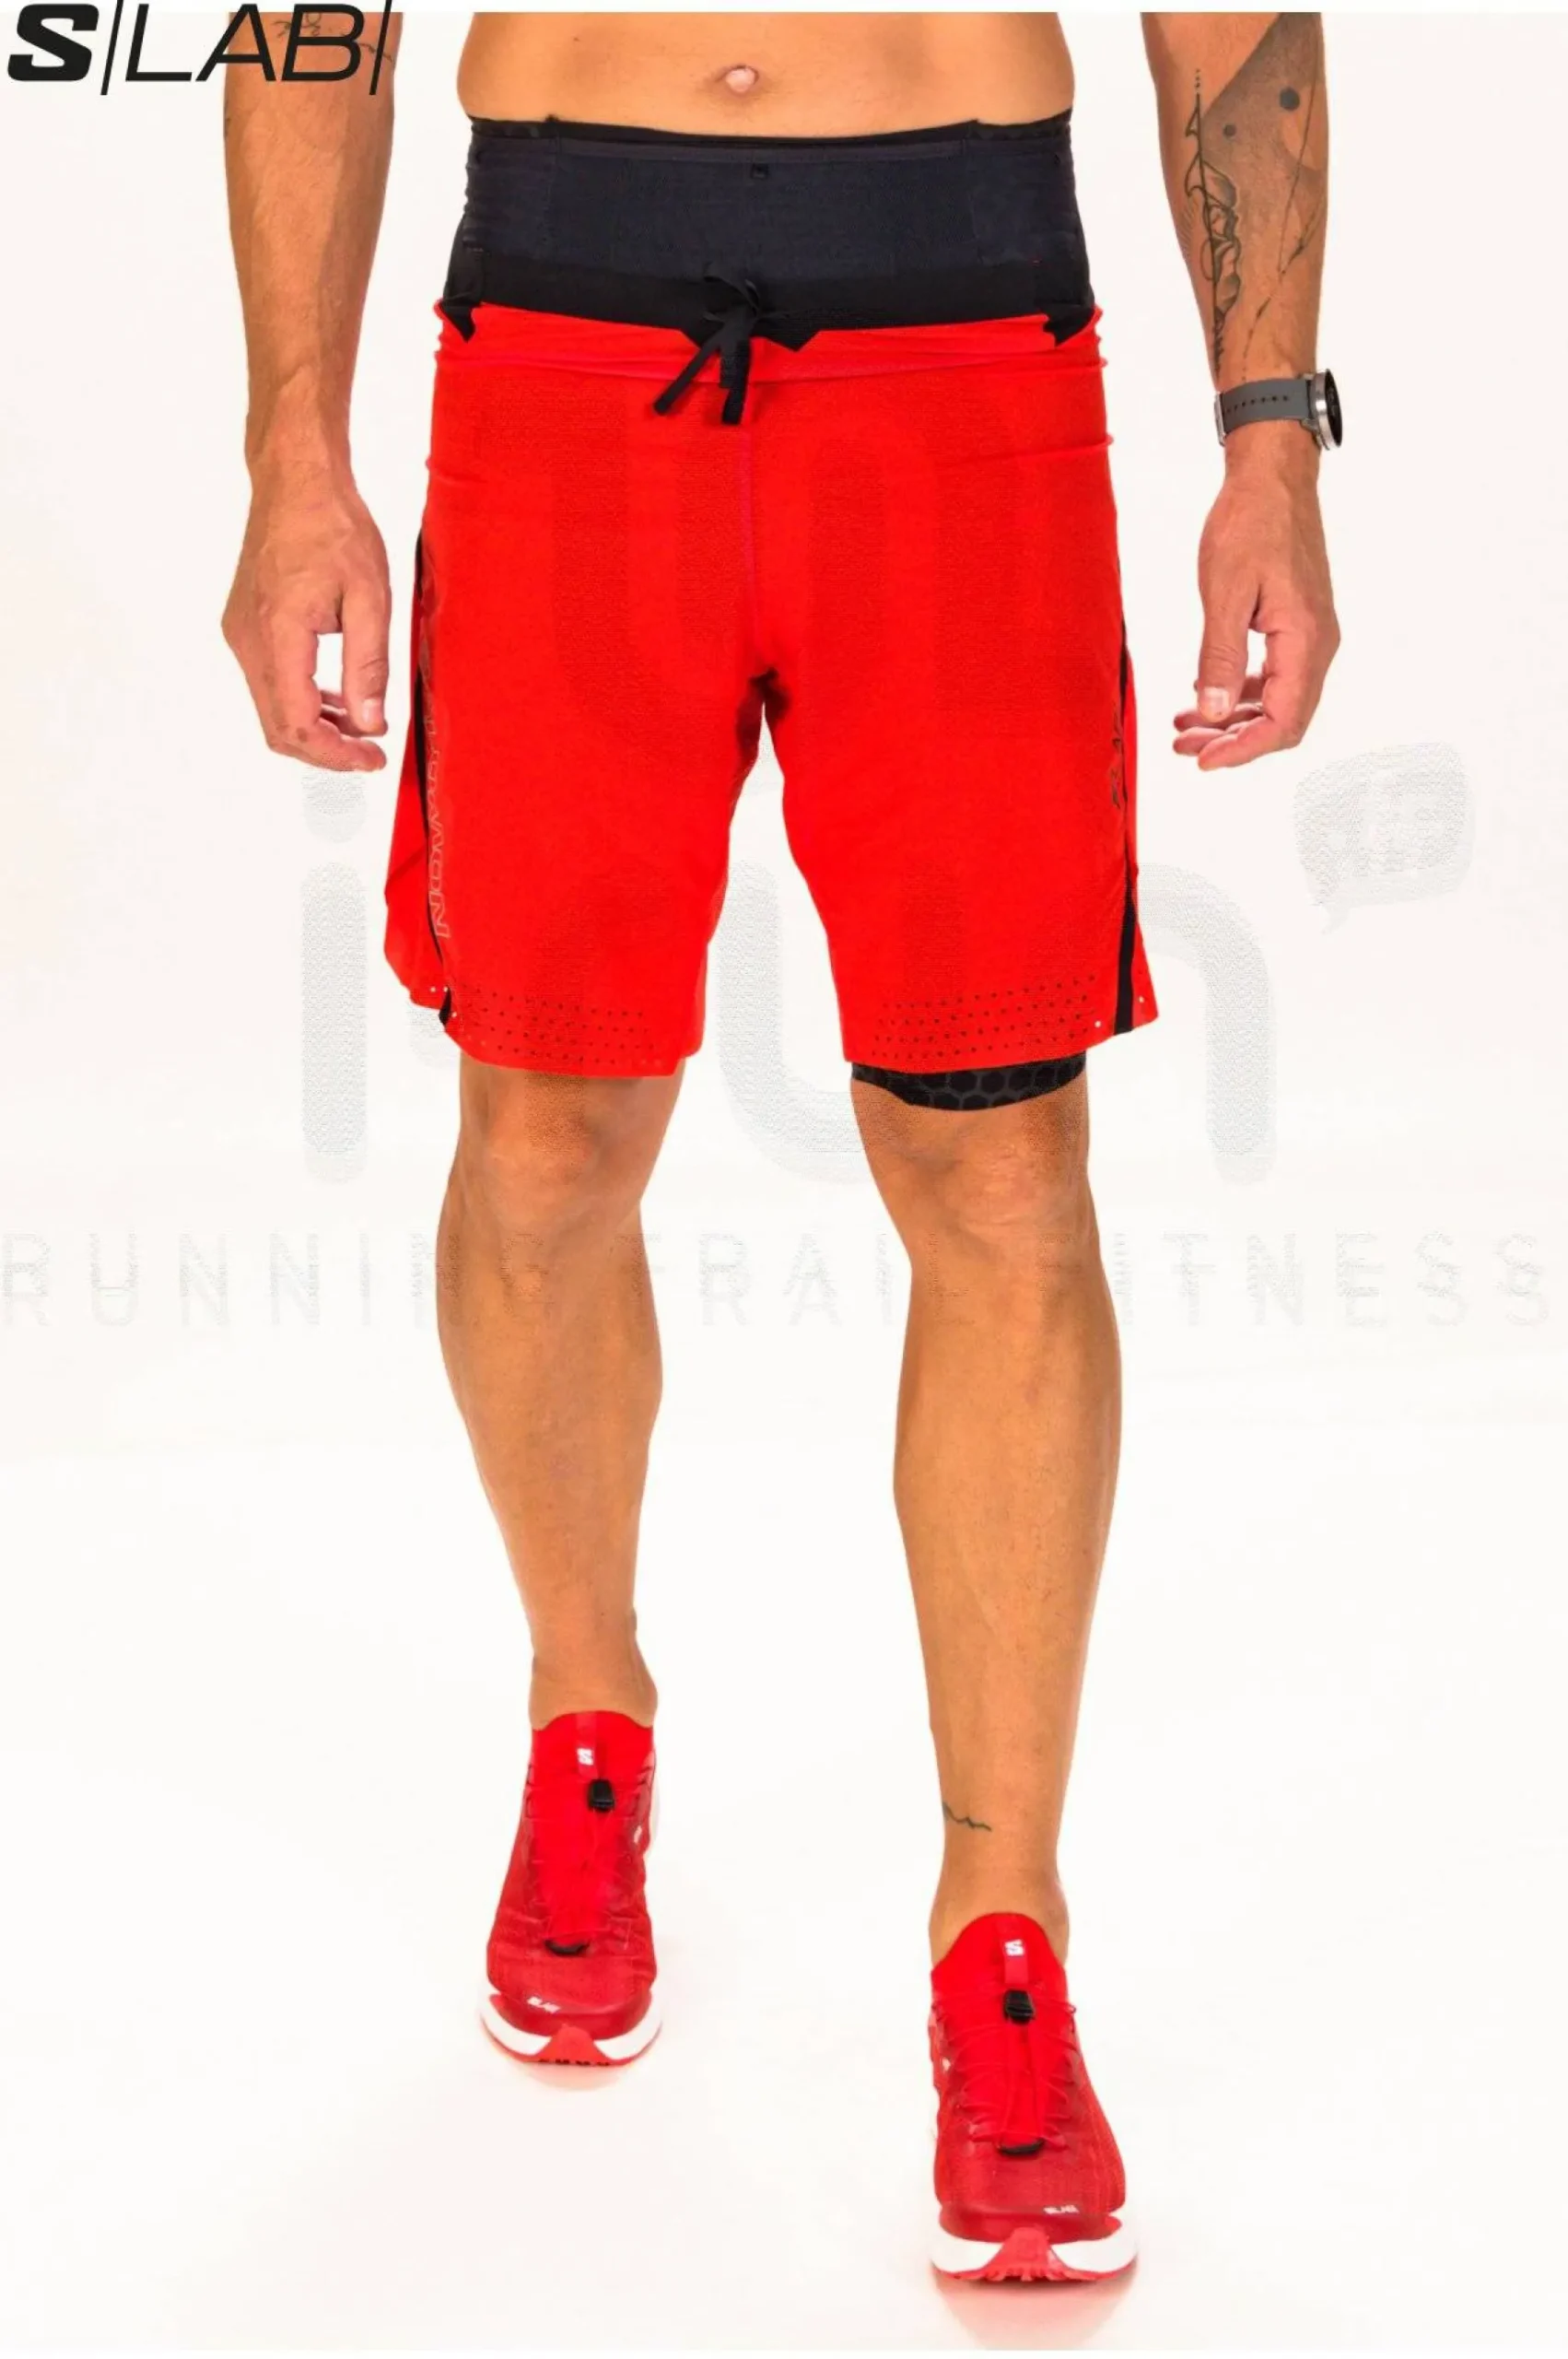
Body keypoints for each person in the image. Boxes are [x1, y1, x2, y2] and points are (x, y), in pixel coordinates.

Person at [222, 10, 1338, 2283]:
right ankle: (585, 1719)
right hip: (558, 339)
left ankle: (1001, 1939)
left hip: (961, 356)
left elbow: (1234, 27)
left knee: (1003, 1171)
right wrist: (292, 447)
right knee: (543, 1139)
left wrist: (1270, 441)